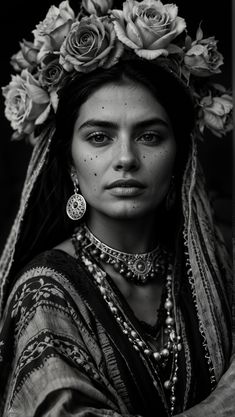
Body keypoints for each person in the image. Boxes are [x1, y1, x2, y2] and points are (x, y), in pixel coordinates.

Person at [0, 1, 233, 416]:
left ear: (180, 158)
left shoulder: (214, 271)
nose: (125, 158)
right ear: (70, 160)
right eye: (99, 137)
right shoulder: (46, 295)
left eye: (149, 136)